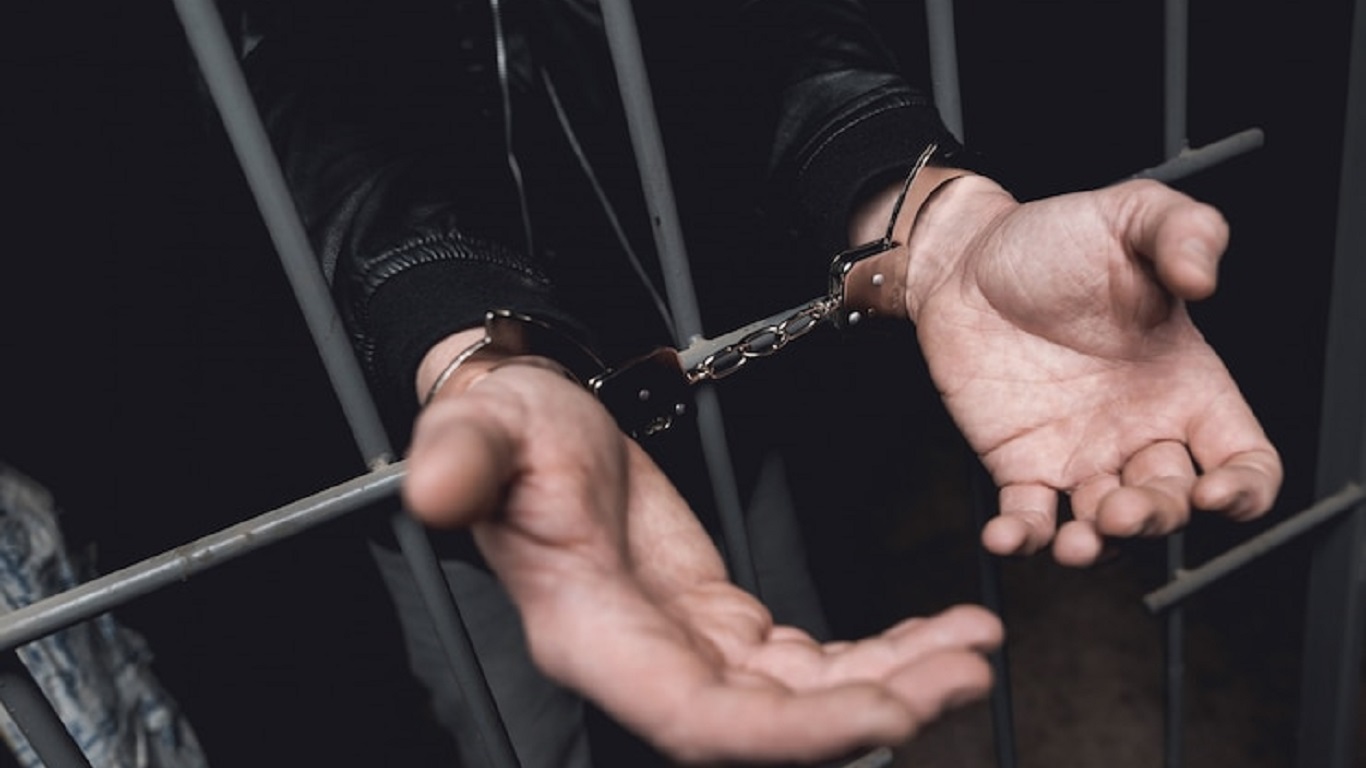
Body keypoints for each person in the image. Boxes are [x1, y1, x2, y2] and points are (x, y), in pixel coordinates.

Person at [221, 0, 1284, 764]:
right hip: (426, 434)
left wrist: (927, 216)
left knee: (791, 673)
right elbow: (282, 90)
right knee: (511, 723)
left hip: (707, 389)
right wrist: (463, 344)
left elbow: (778, 32)